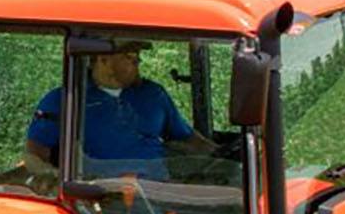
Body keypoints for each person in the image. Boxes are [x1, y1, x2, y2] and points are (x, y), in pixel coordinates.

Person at [23, 45, 217, 180]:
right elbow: (34, 156)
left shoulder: (153, 94)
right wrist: (53, 177)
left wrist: (224, 157)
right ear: (103, 59)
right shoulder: (64, 100)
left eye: (137, 58)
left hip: (157, 192)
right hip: (100, 199)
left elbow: (189, 138)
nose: (137, 62)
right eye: (129, 57)